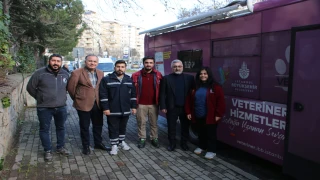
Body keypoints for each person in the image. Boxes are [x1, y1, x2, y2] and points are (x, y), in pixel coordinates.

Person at [26, 54, 70, 161]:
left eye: (58, 61)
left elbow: (69, 87)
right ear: (49, 61)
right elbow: (30, 87)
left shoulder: (65, 74)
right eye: (53, 61)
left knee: (61, 127)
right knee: (44, 129)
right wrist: (40, 98)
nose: (55, 63)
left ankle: (60, 147)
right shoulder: (40, 73)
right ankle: (48, 150)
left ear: (61, 62)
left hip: (61, 107)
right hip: (44, 107)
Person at [67, 55, 110, 155]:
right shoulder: (76, 72)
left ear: (97, 63)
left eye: (95, 61)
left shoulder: (100, 73)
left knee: (98, 125)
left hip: (98, 104)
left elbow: (101, 88)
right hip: (83, 104)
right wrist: (78, 98)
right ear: (85, 61)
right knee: (84, 126)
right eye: (90, 61)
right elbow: (70, 88)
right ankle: (85, 146)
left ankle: (98, 143)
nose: (92, 63)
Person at [185, 67, 226, 159]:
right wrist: (188, 112)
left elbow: (221, 102)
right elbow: (188, 100)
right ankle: (202, 146)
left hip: (210, 116)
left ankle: (212, 151)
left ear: (209, 75)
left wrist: (218, 114)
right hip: (198, 114)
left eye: (205, 74)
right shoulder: (195, 87)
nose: (203, 75)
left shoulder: (216, 87)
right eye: (201, 74)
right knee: (201, 132)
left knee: (211, 134)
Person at [99, 60, 137, 155]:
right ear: (114, 68)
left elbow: (133, 95)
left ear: (125, 68)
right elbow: (103, 95)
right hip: (112, 110)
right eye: (118, 66)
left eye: (122, 67)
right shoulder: (107, 79)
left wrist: (134, 107)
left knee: (123, 127)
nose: (120, 69)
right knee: (113, 127)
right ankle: (114, 145)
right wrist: (106, 108)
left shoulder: (129, 79)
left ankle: (121, 142)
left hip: (125, 109)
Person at [159, 59, 195, 151]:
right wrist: (163, 106)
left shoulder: (190, 78)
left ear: (182, 67)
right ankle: (172, 144)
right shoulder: (166, 78)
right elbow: (162, 93)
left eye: (179, 66)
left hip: (185, 108)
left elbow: (193, 93)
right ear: (172, 68)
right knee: (171, 127)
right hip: (171, 107)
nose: (177, 68)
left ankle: (184, 144)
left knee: (185, 127)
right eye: (175, 67)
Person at [131, 57, 163, 148]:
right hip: (140, 104)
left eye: (150, 62)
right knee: (141, 122)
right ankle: (142, 138)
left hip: (154, 104)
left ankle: (154, 138)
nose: (148, 64)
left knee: (154, 123)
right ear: (143, 63)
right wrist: (133, 105)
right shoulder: (135, 75)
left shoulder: (158, 75)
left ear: (153, 64)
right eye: (146, 62)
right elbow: (132, 91)